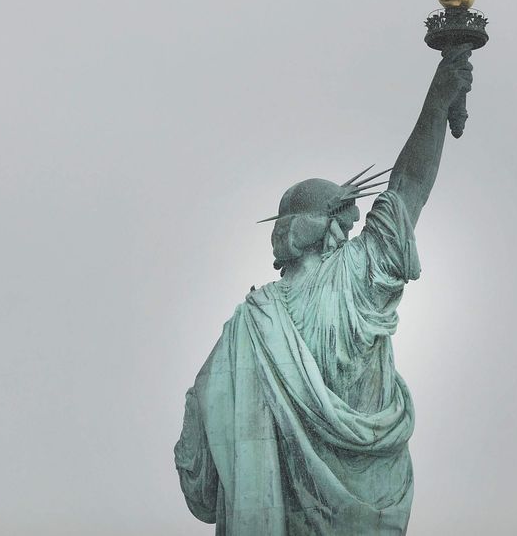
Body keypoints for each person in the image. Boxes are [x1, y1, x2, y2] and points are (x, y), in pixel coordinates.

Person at [174, 44, 474, 535]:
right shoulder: (355, 277)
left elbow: (198, 450)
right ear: (333, 226)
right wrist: (437, 102)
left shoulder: (250, 323)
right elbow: (407, 188)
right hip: (364, 510)